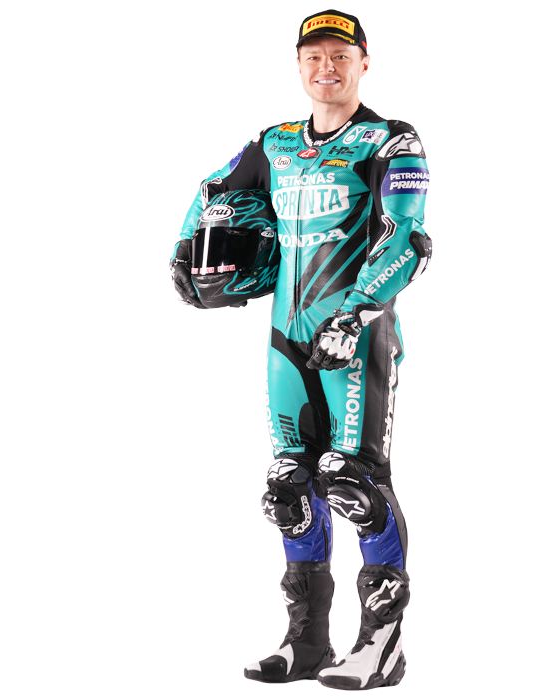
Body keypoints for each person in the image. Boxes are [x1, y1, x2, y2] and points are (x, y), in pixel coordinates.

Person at [170, 9, 432, 690]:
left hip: (357, 335)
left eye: (340, 55)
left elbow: (407, 239)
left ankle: (382, 646)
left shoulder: (392, 139)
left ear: (364, 62)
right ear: (298, 66)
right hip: (284, 340)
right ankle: (306, 643)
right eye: (314, 56)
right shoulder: (273, 143)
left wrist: (357, 310)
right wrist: (183, 257)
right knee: (288, 486)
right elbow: (213, 192)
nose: (327, 67)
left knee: (355, 483)